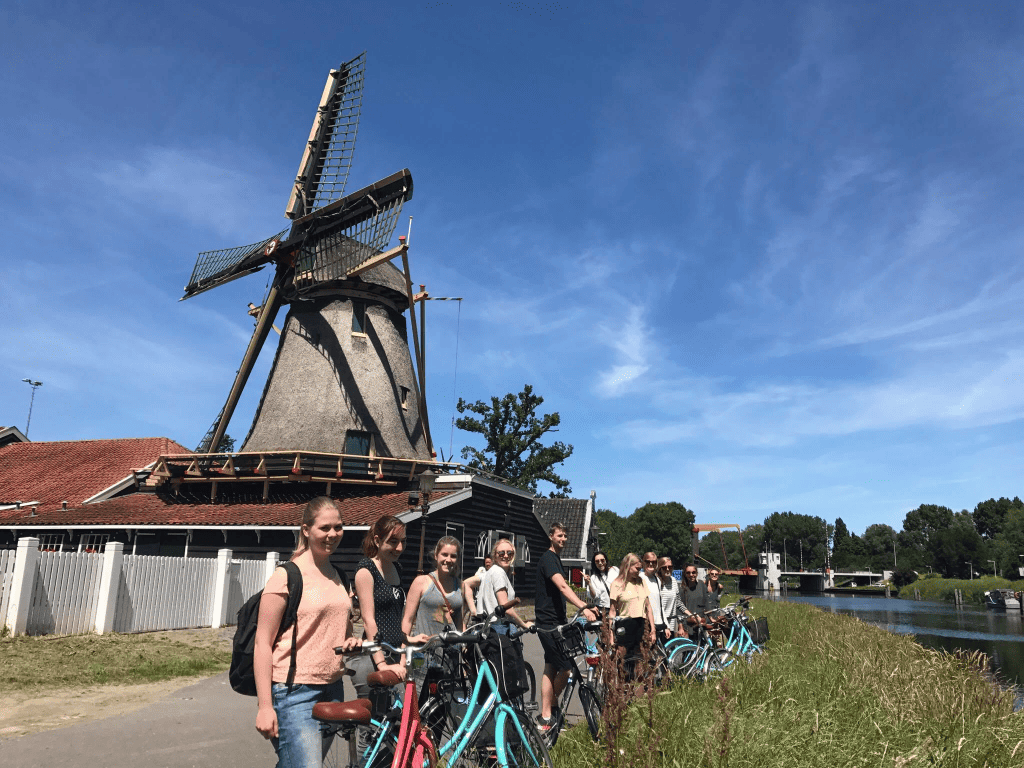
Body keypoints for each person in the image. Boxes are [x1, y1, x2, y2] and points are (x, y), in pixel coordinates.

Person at [254, 497, 361, 768]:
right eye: (324, 528)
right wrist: (265, 706)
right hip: (293, 690)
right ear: (306, 530)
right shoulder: (287, 576)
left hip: (333, 686)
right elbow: (262, 643)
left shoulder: (340, 576)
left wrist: (350, 642)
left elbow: (342, 629)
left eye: (338, 527)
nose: (332, 534)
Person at [535, 522, 598, 730]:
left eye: (565, 536)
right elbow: (562, 586)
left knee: (551, 667)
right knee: (567, 669)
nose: (562, 539)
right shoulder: (549, 559)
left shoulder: (556, 559)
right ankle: (549, 709)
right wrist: (583, 607)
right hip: (549, 623)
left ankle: (548, 716)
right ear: (551, 536)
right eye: (559, 535)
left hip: (556, 621)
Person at [352, 515, 409, 698]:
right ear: (377, 540)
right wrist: (382, 663)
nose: (399, 548)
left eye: (403, 542)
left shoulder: (397, 568)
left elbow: (397, 617)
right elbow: (369, 621)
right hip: (373, 657)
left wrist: (403, 655)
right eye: (393, 542)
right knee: (372, 722)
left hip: (395, 654)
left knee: (398, 719)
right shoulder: (366, 570)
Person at [401, 535, 472, 683]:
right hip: (422, 652)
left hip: (450, 654)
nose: (448, 559)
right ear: (436, 555)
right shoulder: (421, 582)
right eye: (444, 554)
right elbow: (407, 620)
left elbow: (459, 622)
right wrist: (403, 655)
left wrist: (463, 650)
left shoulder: (460, 586)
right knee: (417, 694)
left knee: (447, 697)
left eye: (453, 556)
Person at [477, 538, 533, 631]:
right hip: (499, 627)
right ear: (495, 555)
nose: (506, 556)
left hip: (488, 627)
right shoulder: (498, 573)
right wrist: (524, 624)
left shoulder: (491, 571)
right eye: (501, 553)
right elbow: (505, 607)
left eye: (510, 553)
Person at [608, 553, 656, 659]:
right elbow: (612, 611)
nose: (639, 571)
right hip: (625, 626)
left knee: (641, 661)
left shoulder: (641, 581)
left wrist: (653, 630)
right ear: (627, 566)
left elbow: (648, 607)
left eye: (640, 569)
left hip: (641, 626)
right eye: (637, 568)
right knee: (625, 662)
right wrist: (611, 635)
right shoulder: (616, 584)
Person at [639, 551, 671, 644]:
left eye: (654, 562)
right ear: (643, 563)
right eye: (648, 561)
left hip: (658, 626)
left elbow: (660, 605)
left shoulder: (657, 580)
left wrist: (666, 626)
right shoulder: (639, 578)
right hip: (645, 625)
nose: (651, 564)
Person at [676, 564, 706, 640]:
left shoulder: (701, 585)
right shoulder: (682, 589)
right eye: (688, 573)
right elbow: (679, 609)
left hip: (701, 624)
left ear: (697, 573)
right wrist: (680, 627)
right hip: (688, 625)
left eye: (693, 572)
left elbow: (707, 602)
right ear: (685, 574)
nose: (691, 575)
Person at [652, 556, 678, 643]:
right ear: (659, 569)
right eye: (664, 567)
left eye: (670, 567)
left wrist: (689, 613)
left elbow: (678, 601)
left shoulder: (674, 581)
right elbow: (656, 605)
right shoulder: (656, 582)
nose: (667, 569)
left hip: (672, 623)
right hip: (659, 623)